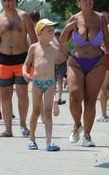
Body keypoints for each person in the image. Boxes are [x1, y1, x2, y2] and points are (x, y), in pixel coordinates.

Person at [60, 0, 109, 147]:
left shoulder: (100, 19)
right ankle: (77, 125)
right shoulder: (74, 18)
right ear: (79, 1)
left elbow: (107, 41)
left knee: (91, 99)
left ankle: (87, 135)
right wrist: (67, 28)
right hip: (76, 61)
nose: (88, 1)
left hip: (97, 62)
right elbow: (63, 40)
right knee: (74, 96)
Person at [0, 0, 37, 137]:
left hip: (22, 60)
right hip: (3, 60)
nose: (7, 3)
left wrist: (36, 62)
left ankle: (23, 124)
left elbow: (34, 40)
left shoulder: (23, 16)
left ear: (15, 0)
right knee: (5, 95)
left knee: (22, 94)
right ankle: (8, 129)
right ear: (0, 2)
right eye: (4, 1)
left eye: (9, 0)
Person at [22, 19, 68, 151]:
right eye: (49, 31)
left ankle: (48, 142)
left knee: (47, 113)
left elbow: (63, 58)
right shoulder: (34, 47)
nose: (52, 33)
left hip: (50, 83)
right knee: (36, 111)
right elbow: (26, 64)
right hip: (36, 82)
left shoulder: (54, 48)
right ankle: (32, 139)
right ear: (40, 32)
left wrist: (62, 44)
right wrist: (25, 73)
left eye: (53, 31)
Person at [54, 30, 67, 105]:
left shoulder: (64, 43)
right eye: (56, 34)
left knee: (60, 82)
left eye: (59, 34)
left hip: (61, 65)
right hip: (53, 65)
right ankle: (54, 98)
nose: (58, 35)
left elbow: (67, 55)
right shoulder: (50, 43)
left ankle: (59, 98)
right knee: (53, 83)